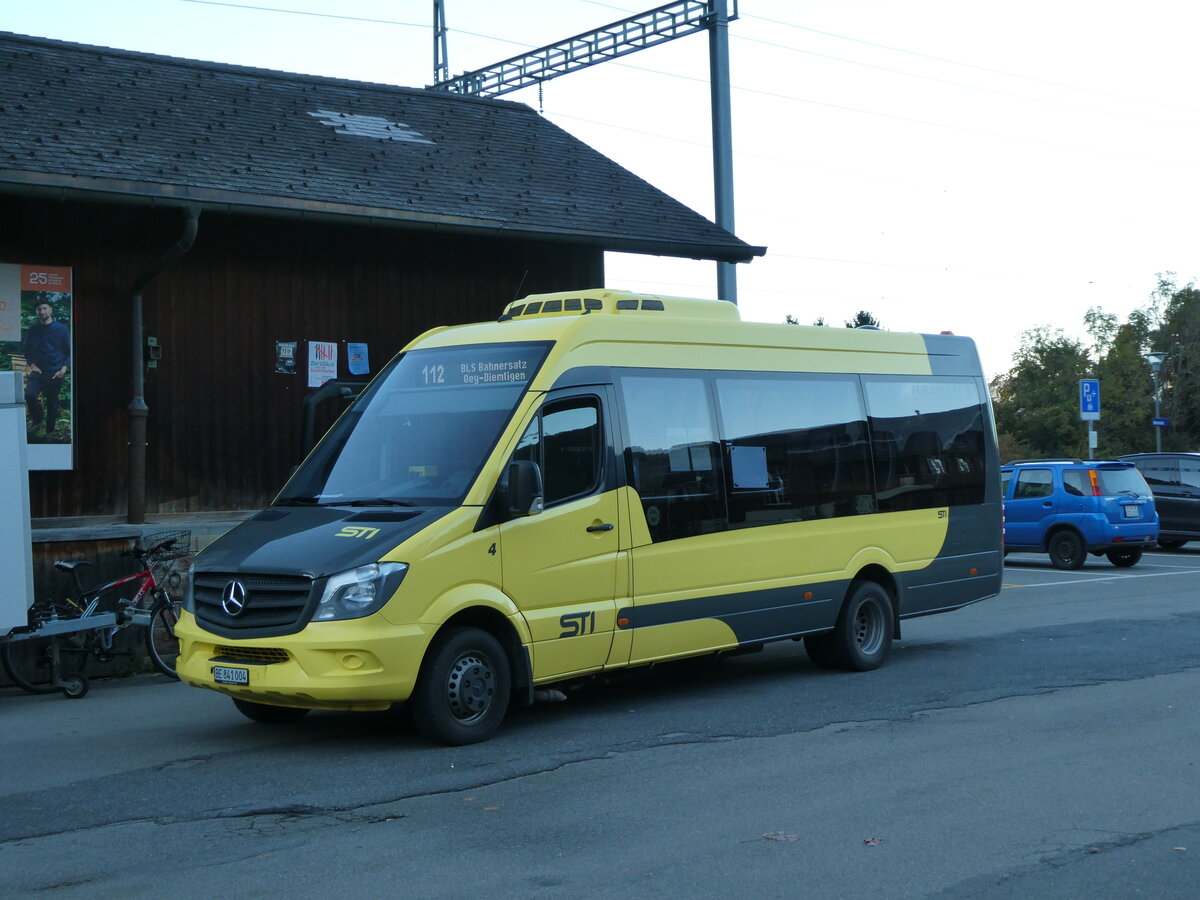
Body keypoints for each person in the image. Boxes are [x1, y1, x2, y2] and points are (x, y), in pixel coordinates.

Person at [23, 299, 70, 437]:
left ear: (50, 310)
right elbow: (26, 350)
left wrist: (64, 369)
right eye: (39, 309)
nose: (42, 311)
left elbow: (68, 351)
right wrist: (32, 365)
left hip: (55, 371)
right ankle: (37, 421)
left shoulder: (62, 329)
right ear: (36, 312)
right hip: (38, 371)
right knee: (29, 395)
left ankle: (49, 432)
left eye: (44, 308)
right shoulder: (33, 330)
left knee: (52, 402)